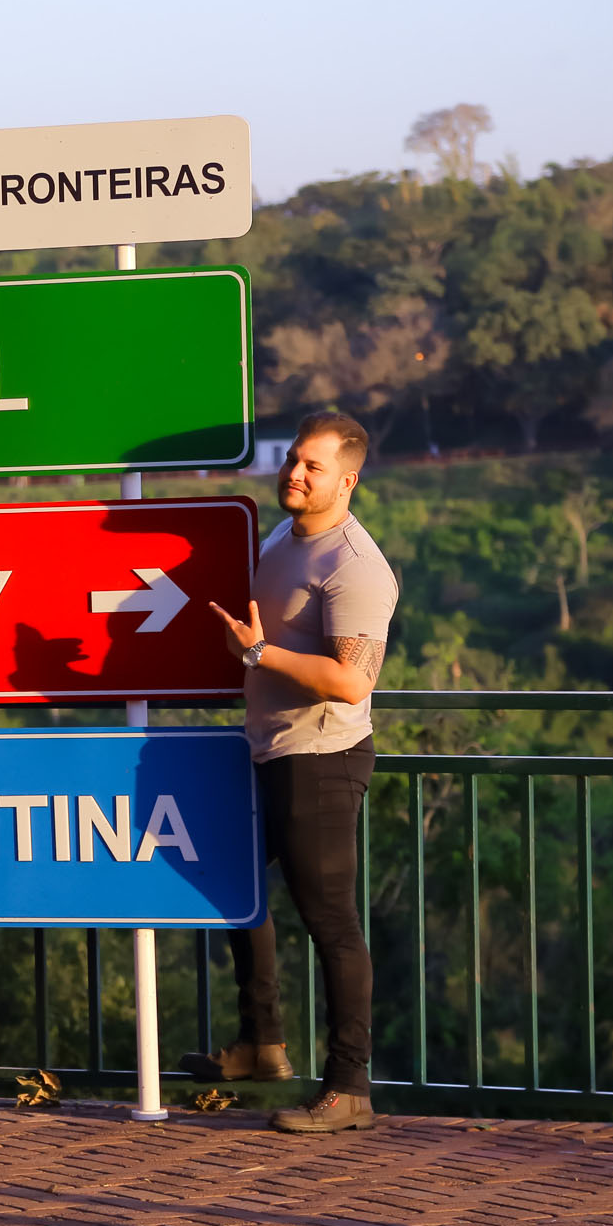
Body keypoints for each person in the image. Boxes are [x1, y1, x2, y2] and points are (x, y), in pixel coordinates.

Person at [188, 411, 399, 1133]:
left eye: (312, 466)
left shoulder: (355, 567)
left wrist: (260, 655)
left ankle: (349, 1087)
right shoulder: (285, 535)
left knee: (331, 924)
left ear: (349, 478)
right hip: (265, 750)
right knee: (232, 884)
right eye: (293, 462)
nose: (295, 474)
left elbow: (350, 682)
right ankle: (263, 1043)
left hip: (322, 759)